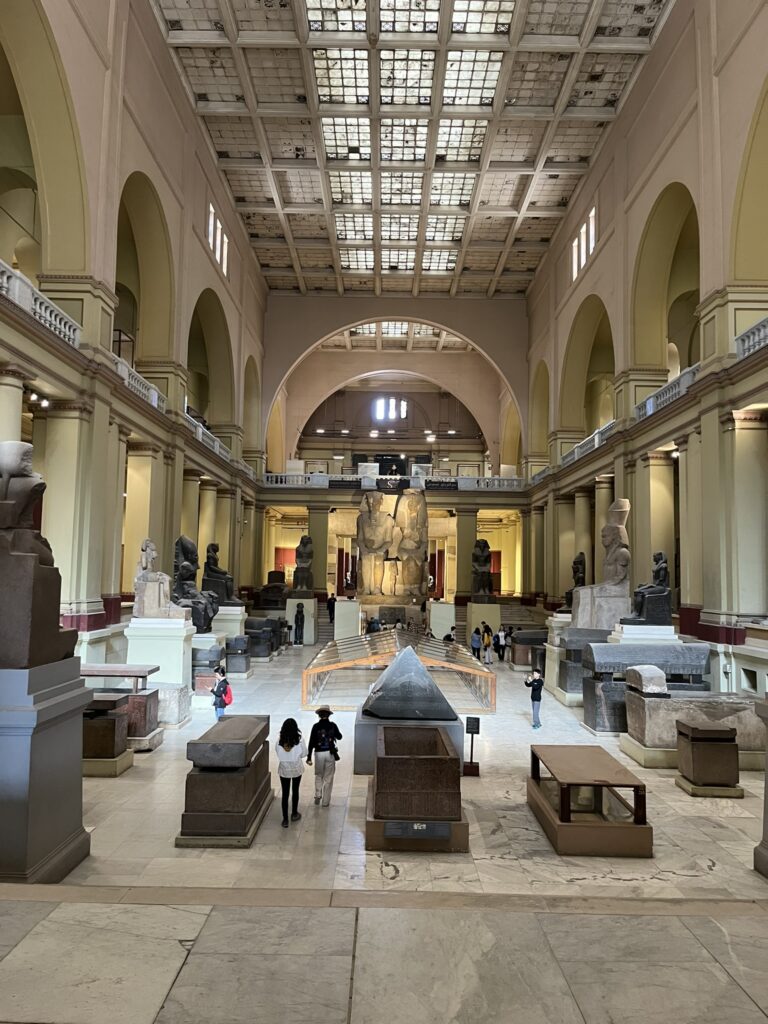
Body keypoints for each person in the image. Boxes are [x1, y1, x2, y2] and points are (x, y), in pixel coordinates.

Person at [306, 705, 342, 807]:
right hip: (330, 753)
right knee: (328, 777)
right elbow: (340, 737)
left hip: (318, 754)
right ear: (329, 715)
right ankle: (325, 802)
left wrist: (309, 756)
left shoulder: (315, 726)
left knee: (318, 774)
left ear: (319, 715)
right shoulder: (332, 725)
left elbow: (311, 742)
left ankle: (318, 794)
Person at [275, 718, 307, 828]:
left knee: (285, 793)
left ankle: (285, 820)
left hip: (284, 769)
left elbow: (277, 752)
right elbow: (304, 754)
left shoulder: (280, 739)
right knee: (295, 791)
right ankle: (294, 814)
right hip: (296, 768)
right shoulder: (300, 739)